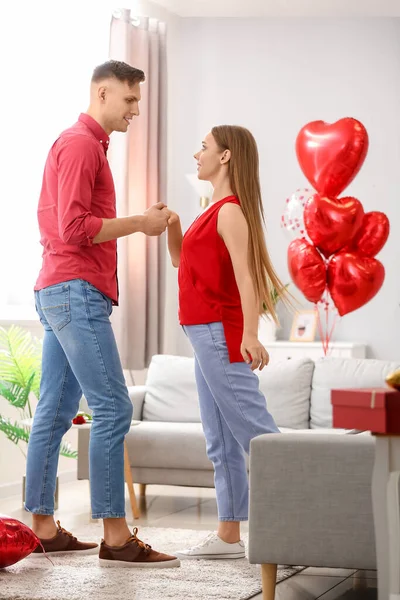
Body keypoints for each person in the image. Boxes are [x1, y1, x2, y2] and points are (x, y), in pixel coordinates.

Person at [25, 60, 180, 568]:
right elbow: (73, 227)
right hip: (75, 291)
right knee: (112, 407)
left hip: (61, 288)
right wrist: (140, 223)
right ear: (103, 92)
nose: (136, 109)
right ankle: (117, 538)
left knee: (53, 410)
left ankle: (43, 528)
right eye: (130, 100)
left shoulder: (84, 146)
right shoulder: (81, 144)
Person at [165, 125, 290, 560]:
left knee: (258, 435)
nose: (196, 154)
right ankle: (228, 536)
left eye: (203, 147)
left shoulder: (231, 212)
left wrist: (250, 334)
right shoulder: (209, 209)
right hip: (202, 334)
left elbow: (246, 275)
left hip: (221, 333)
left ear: (225, 157)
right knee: (219, 439)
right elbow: (184, 263)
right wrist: (174, 226)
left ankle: (302, 525)